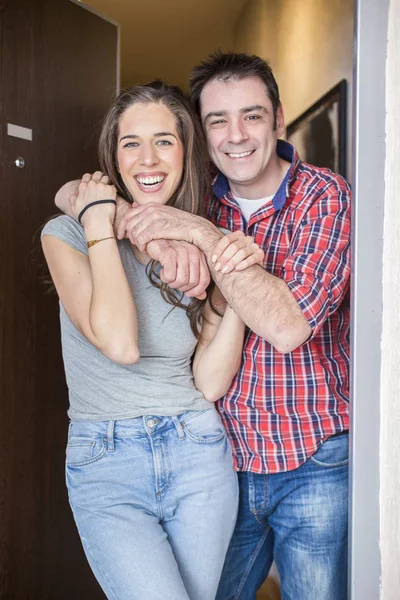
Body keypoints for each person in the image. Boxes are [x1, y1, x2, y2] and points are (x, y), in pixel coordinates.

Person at [114, 52, 351, 600]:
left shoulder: (324, 197)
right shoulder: (193, 197)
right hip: (220, 460)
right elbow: (112, 201)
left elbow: (288, 326)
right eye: (217, 120)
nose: (235, 135)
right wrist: (78, 198)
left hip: (313, 457)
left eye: (252, 115)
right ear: (201, 130)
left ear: (279, 119)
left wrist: (199, 233)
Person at [41, 80, 265, 600]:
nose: (148, 158)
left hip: (198, 452)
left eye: (164, 140)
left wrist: (233, 283)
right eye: (131, 143)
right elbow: (119, 343)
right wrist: (99, 219)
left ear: (186, 153)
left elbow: (209, 382)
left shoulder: (199, 241)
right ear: (113, 158)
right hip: (107, 461)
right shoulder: (68, 234)